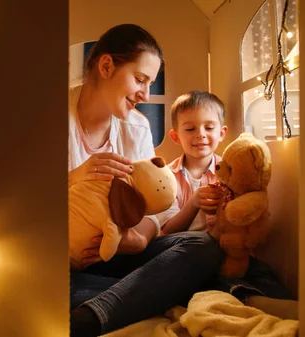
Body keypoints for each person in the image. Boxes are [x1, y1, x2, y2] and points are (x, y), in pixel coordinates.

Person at [68, 25, 224, 336]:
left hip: (117, 255)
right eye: (140, 79)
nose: (146, 94)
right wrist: (72, 177)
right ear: (107, 65)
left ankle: (90, 314)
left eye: (150, 83)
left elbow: (157, 209)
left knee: (203, 246)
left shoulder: (136, 127)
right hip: (63, 260)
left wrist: (135, 240)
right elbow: (20, 204)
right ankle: (141, 295)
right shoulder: (50, 115)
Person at [157, 90, 298, 319]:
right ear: (175, 136)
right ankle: (250, 300)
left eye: (209, 128)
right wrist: (193, 204)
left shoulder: (233, 171)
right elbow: (167, 231)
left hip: (232, 253)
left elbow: (250, 210)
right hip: (190, 258)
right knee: (206, 281)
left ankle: (285, 303)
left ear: (222, 132)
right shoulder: (168, 177)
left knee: (260, 271)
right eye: (190, 129)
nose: (200, 135)